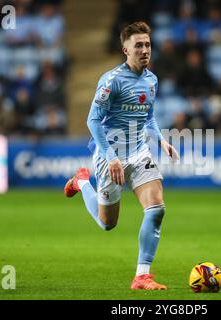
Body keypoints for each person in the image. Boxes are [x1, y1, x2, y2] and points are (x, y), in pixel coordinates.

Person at [64, 22, 178, 290]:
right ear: (125, 49)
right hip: (109, 156)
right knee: (107, 224)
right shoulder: (111, 80)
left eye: (148, 44)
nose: (145, 49)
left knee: (156, 208)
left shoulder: (152, 80)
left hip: (139, 152)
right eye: (138, 45)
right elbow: (92, 120)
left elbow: (148, 116)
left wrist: (161, 141)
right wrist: (111, 156)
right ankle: (82, 182)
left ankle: (142, 276)